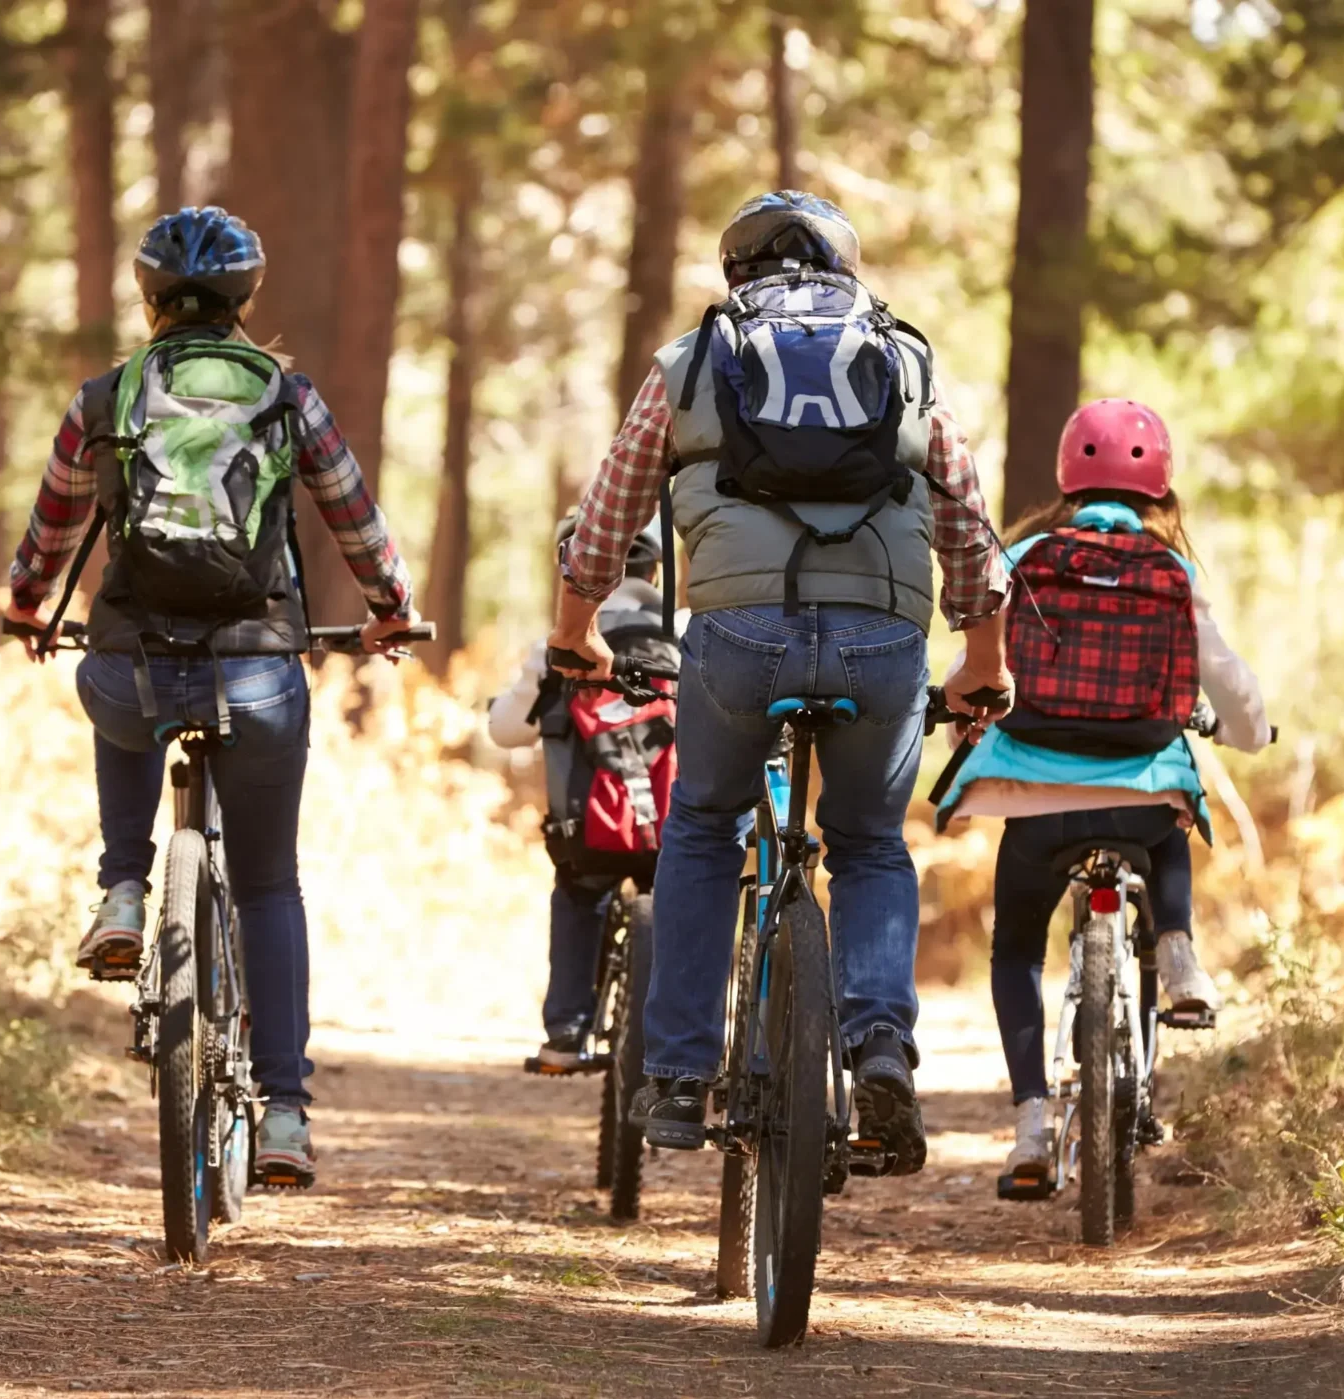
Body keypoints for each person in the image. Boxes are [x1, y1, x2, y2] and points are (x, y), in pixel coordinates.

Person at [549, 190, 1012, 1174]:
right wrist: (982, 655)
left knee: (702, 823)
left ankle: (676, 1076)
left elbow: (604, 519)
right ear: (847, 270)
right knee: (870, 843)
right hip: (882, 638)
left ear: (734, 274)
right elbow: (966, 519)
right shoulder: (906, 358)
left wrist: (574, 632)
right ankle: (878, 1043)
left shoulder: (692, 361)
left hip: (736, 635)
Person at [3, 206, 421, 1187]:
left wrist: (29, 608)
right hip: (257, 666)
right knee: (269, 883)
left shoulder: (106, 397)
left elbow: (52, 528)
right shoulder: (287, 396)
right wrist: (391, 609)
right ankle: (281, 1112)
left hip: (131, 659)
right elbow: (354, 519)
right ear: (245, 300)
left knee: (118, 690)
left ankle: (121, 886)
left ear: (148, 297)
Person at [935, 398, 1270, 1186]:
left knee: (1016, 950)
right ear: (1159, 488)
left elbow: (974, 671)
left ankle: (1026, 1129)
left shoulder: (1026, 558)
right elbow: (1232, 686)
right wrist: (1251, 735)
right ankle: (1178, 951)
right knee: (1171, 819)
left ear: (1067, 478)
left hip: (1036, 795)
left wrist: (962, 733)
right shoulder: (1173, 572)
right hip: (1140, 788)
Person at [489, 517, 684, 1071]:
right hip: (677, 827)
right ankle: (686, 1046)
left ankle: (568, 1033)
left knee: (579, 889)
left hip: (589, 831)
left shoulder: (557, 644)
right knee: (691, 897)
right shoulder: (685, 631)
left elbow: (506, 731)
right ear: (654, 570)